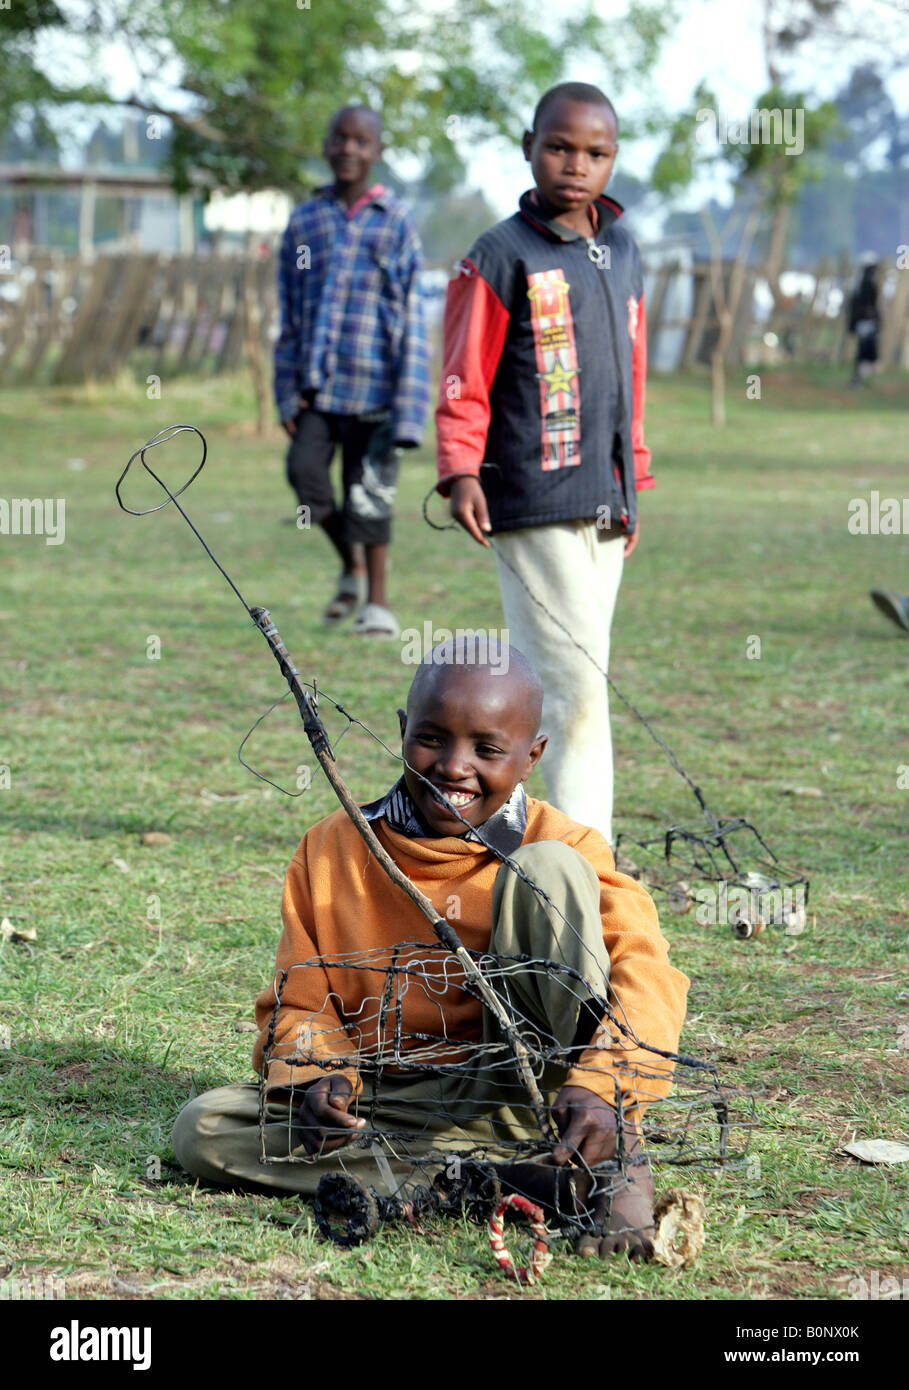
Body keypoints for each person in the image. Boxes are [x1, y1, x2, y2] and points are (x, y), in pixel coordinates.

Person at [172, 639, 689, 1259]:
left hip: (532, 1095)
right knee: (203, 1130)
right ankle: (491, 1180)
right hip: (389, 1103)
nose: (453, 766)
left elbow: (645, 972)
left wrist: (603, 1087)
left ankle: (605, 1146)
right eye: (432, 739)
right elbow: (300, 999)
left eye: (488, 749)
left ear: (532, 757)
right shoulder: (334, 846)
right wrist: (319, 1076)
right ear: (401, 729)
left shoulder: (567, 841)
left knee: (547, 869)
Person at [434, 82, 652, 846]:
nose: (575, 164)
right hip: (529, 497)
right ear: (529, 145)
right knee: (576, 688)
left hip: (604, 499)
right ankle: (586, 859)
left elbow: (632, 369)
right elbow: (464, 370)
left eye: (595, 152)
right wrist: (461, 466)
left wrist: (635, 475)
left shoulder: (621, 246)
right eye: (560, 146)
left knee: (556, 683)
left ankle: (511, 835)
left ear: (613, 159)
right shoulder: (499, 254)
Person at [274, 105, 431, 636]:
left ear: (377, 152)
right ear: (325, 144)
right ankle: (350, 564)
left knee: (370, 496)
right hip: (318, 390)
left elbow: (411, 317)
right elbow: (289, 312)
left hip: (377, 391)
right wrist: (286, 391)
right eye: (339, 138)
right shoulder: (305, 220)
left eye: (362, 141)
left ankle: (378, 604)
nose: (349, 149)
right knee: (306, 478)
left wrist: (409, 411)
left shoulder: (397, 224)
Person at [848, 255, 881, 386]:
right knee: (864, 349)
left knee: (866, 349)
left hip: (866, 322)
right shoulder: (864, 284)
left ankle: (861, 377)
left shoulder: (865, 283)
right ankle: (858, 378)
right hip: (864, 322)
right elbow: (861, 306)